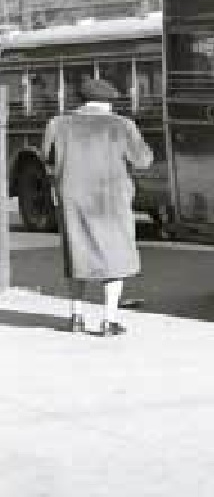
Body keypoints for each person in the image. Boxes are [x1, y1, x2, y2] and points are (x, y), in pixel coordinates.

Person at [42, 77, 154, 336]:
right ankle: (109, 320)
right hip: (110, 200)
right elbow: (143, 160)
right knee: (114, 257)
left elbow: (46, 158)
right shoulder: (122, 125)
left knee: (77, 255)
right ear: (108, 102)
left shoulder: (57, 124)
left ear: (81, 101)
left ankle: (76, 318)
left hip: (73, 200)